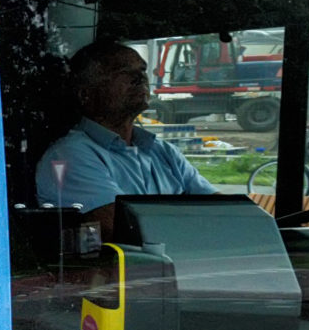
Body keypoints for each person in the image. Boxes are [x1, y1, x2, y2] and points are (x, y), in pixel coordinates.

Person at [33, 38, 214, 236]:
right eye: (122, 73)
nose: (140, 78)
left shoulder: (162, 151)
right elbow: (125, 227)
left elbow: (223, 212)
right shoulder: (68, 156)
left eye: (142, 70)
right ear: (86, 95)